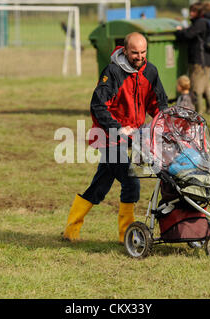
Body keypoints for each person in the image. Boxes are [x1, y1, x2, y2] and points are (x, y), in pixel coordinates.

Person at [62, 32, 168, 243]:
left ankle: (71, 228)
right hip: (108, 136)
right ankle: (126, 236)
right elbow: (98, 106)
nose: (139, 57)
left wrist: (165, 123)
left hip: (133, 136)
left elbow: (158, 103)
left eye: (143, 52)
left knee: (100, 184)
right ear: (125, 50)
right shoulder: (112, 71)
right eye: (135, 53)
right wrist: (118, 128)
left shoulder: (151, 71)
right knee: (131, 182)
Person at [175, 2, 210, 115]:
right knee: (206, 86)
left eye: (194, 11)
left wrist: (178, 31)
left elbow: (188, 34)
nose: (191, 13)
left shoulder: (200, 23)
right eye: (190, 11)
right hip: (206, 59)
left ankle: (198, 112)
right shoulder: (204, 22)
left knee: (196, 88)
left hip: (199, 60)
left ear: (199, 13)